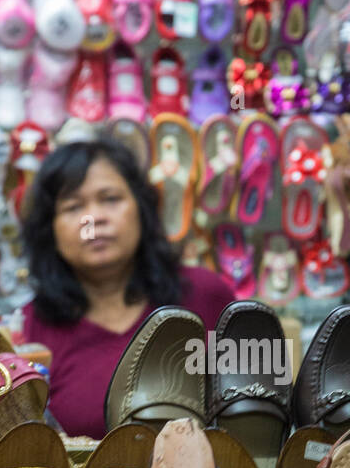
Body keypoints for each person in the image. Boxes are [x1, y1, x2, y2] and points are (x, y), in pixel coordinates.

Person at [21, 137, 234, 438]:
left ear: (141, 208)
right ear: (49, 228)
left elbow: (262, 407)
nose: (94, 218)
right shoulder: (30, 330)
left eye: (110, 198)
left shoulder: (207, 294)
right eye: (72, 206)